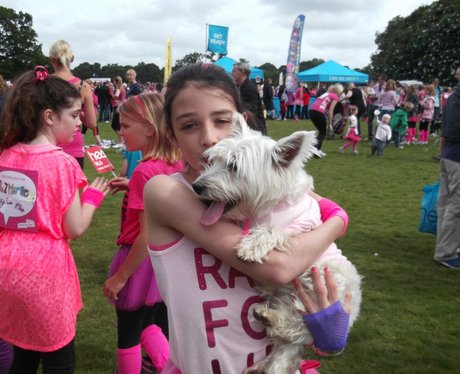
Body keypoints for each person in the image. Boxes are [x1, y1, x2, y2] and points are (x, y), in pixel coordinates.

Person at [143, 62, 351, 373]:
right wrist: (337, 221)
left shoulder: (259, 197)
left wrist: (329, 331)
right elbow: (278, 268)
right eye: (189, 125)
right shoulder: (165, 193)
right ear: (171, 135)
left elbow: (314, 203)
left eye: (222, 120)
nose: (210, 138)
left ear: (242, 123)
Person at [0, 66, 110, 373]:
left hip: (5, 269)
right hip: (44, 275)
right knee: (58, 357)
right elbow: (73, 228)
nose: (79, 123)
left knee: (22, 352)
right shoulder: (61, 163)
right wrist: (92, 199)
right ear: (49, 116)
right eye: (74, 115)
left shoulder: (4, 155)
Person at [102, 94, 183, 374]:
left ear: (149, 128)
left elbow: (144, 234)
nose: (120, 133)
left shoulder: (145, 172)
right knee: (148, 323)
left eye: (125, 126)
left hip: (137, 261)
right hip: (163, 261)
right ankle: (170, 367)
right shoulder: (175, 164)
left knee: (128, 335)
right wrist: (130, 186)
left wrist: (120, 277)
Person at [49, 40, 97, 169]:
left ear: (51, 59)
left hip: (49, 141)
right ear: (72, 58)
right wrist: (77, 114)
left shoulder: (44, 83)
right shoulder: (83, 86)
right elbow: (92, 123)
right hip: (73, 142)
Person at [434, 67, 460, 269]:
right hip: (456, 156)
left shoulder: (452, 97)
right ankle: (446, 252)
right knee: (455, 206)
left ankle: (445, 246)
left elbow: (445, 129)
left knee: (445, 203)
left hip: (449, 154)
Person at [308, 83, 344, 158]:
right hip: (318, 112)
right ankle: (315, 150)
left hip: (311, 111)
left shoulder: (327, 94)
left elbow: (325, 106)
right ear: (339, 91)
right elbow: (331, 111)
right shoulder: (335, 97)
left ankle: (317, 150)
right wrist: (330, 124)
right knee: (323, 133)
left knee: (321, 131)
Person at [231, 62, 267, 134]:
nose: (232, 74)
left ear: (242, 72)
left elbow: (252, 109)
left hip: (254, 128)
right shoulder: (239, 87)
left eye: (234, 71)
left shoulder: (249, 88)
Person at [111, 75, 126, 147]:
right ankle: (121, 140)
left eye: (114, 81)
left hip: (117, 107)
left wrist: (111, 94)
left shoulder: (118, 89)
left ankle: (121, 140)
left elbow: (116, 97)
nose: (113, 82)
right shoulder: (122, 88)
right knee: (118, 124)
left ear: (116, 81)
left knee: (115, 125)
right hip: (121, 106)